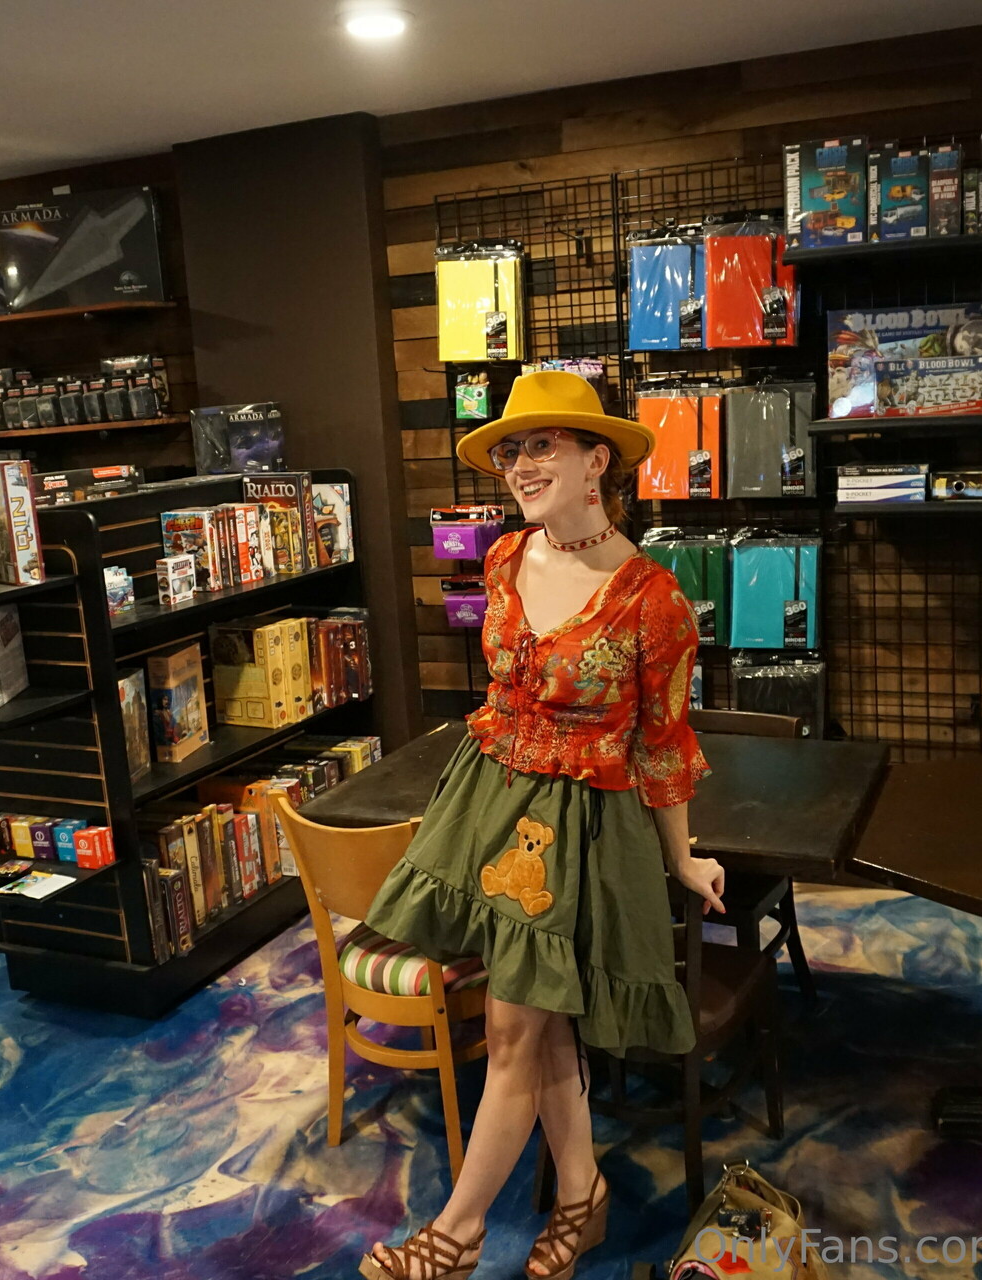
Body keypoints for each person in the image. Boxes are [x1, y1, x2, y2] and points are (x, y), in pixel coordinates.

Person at [359, 371, 724, 1280]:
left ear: (598, 460)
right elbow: (504, 692)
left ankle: (456, 1234)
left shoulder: (654, 600)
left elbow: (663, 742)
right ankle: (582, 1195)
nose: (520, 465)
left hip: (583, 827)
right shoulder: (504, 558)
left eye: (542, 445)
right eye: (511, 450)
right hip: (488, 805)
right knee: (541, 1020)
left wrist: (681, 856)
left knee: (516, 1026)